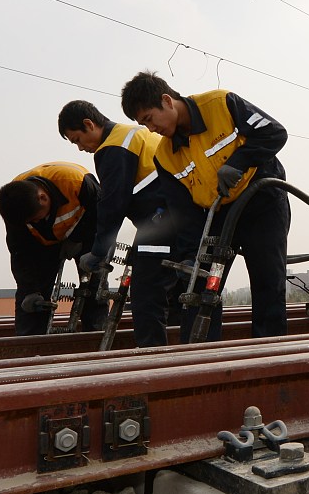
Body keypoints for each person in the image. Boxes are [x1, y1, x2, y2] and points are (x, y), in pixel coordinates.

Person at [120, 71, 289, 341]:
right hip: (219, 214)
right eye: (143, 124)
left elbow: (274, 133)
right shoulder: (164, 156)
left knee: (267, 282)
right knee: (199, 286)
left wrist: (239, 162)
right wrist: (190, 254)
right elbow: (183, 212)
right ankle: (199, 357)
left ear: (166, 100)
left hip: (262, 203)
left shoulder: (220, 104)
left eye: (149, 119)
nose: (151, 129)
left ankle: (268, 356)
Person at [58, 100, 173, 347]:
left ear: (89, 124)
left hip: (160, 226)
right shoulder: (132, 133)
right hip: (177, 217)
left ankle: (153, 363)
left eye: (77, 139)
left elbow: (112, 205)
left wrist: (98, 253)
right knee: (172, 296)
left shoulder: (112, 148)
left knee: (145, 297)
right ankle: (182, 361)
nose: (80, 148)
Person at [0, 162, 103, 335]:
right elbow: (19, 251)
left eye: (37, 218)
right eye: (32, 221)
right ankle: (31, 344)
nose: (36, 222)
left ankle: (96, 334)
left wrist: (78, 240)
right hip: (42, 242)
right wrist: (30, 290)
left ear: (43, 198)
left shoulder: (76, 182)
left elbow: (103, 218)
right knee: (31, 295)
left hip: (86, 234)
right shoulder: (13, 206)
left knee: (93, 285)